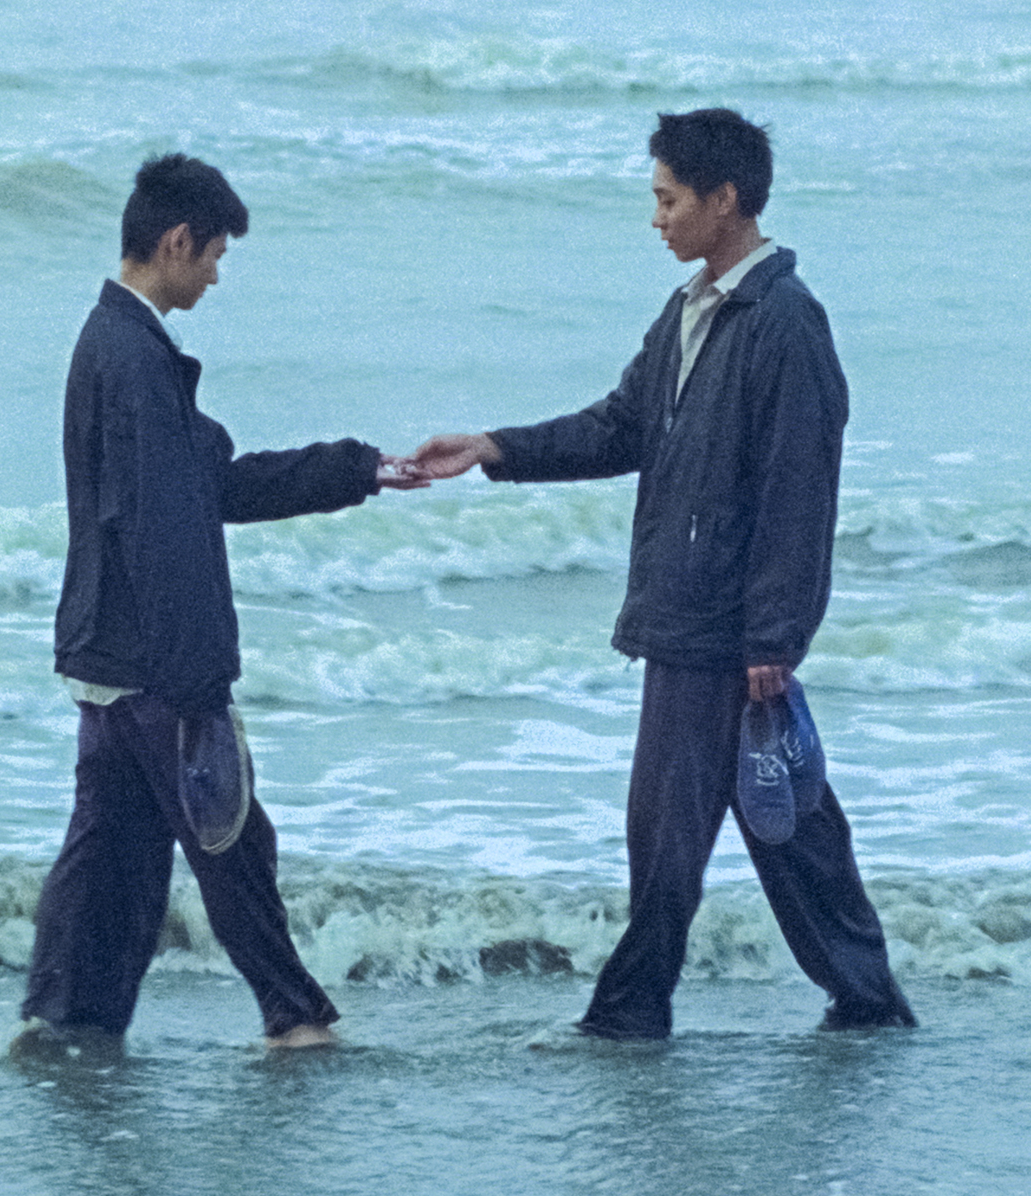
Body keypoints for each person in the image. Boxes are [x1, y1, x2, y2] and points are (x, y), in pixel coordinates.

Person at [412, 109, 916, 1039]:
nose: (656, 219)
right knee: (784, 825)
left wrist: (775, 636)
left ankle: (632, 1013)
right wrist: (492, 447)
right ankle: (867, 1000)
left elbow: (799, 491)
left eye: (668, 199)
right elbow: (620, 428)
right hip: (686, 617)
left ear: (724, 199)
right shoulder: (689, 312)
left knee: (683, 834)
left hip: (725, 631)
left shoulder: (785, 324)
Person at [16, 153, 425, 1054]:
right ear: (176, 242)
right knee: (228, 836)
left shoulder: (116, 343)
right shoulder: (135, 359)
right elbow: (163, 531)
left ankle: (63, 1020)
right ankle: (295, 1019)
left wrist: (361, 469)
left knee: (111, 851)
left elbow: (217, 486)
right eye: (213, 257)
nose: (214, 276)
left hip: (108, 651)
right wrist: (199, 681)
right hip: (155, 661)